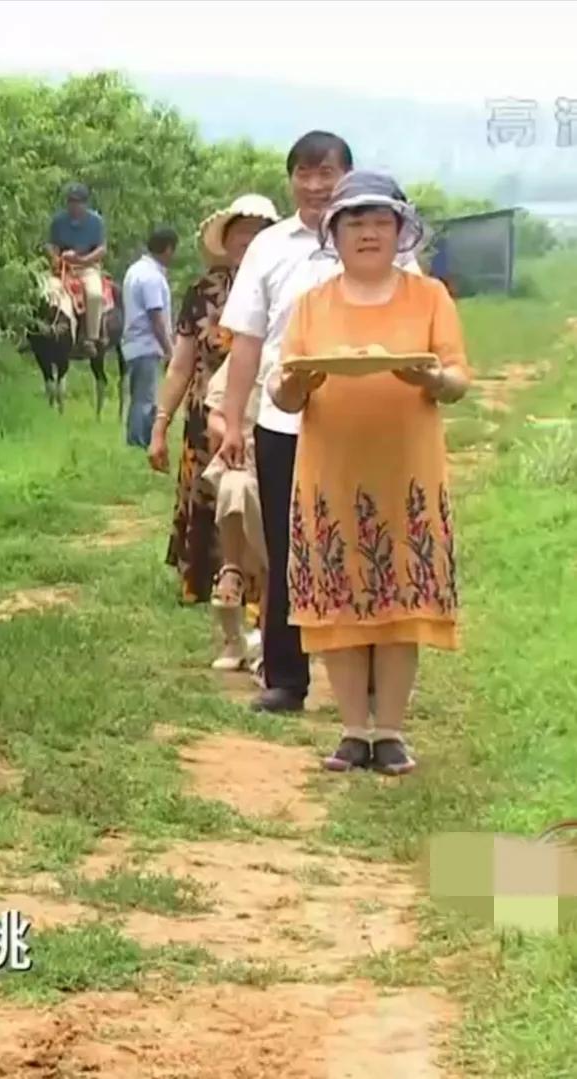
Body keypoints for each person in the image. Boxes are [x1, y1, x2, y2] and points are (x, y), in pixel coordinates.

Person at [268, 170, 470, 775]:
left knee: (400, 602)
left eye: (381, 221)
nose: (368, 232)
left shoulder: (429, 296)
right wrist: (298, 384)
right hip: (331, 474)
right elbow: (284, 394)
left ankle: (391, 732)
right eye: (355, 221)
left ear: (401, 230)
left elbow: (458, 376)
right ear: (334, 232)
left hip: (406, 473)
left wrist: (432, 380)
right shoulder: (313, 304)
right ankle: (353, 729)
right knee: (338, 604)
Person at [217, 131, 421, 714]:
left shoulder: (383, 239)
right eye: (302, 174)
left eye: (325, 173)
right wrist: (233, 419)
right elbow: (248, 343)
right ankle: (286, 676)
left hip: (367, 421)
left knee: (366, 542)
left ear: (347, 176)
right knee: (287, 548)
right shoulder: (269, 247)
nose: (313, 185)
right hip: (284, 421)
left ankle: (372, 678)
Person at [149, 195, 280, 606]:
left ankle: (262, 584)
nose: (248, 238)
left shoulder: (284, 288)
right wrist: (160, 424)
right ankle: (209, 583)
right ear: (226, 238)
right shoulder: (202, 292)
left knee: (260, 497)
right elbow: (180, 365)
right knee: (209, 498)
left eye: (258, 231)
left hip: (265, 410)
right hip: (205, 413)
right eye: (241, 230)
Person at [199, 346, 268, 671]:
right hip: (241, 456)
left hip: (288, 457)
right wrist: (228, 432)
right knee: (233, 489)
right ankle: (231, 572)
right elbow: (214, 411)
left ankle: (270, 639)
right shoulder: (244, 352)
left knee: (272, 550)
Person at [121, 226, 178, 447]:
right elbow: (156, 316)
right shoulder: (152, 277)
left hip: (133, 343)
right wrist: (169, 349)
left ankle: (139, 439)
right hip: (146, 343)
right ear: (168, 249)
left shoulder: (135, 270)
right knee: (145, 399)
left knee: (140, 397)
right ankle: (138, 441)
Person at [47, 182, 107, 357]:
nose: (73, 205)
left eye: (77, 202)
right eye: (70, 201)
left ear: (85, 203)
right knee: (51, 291)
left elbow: (102, 248)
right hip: (63, 268)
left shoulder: (96, 222)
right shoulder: (58, 221)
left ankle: (91, 337)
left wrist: (82, 259)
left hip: (87, 266)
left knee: (94, 293)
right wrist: (56, 258)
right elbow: (51, 244)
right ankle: (55, 328)